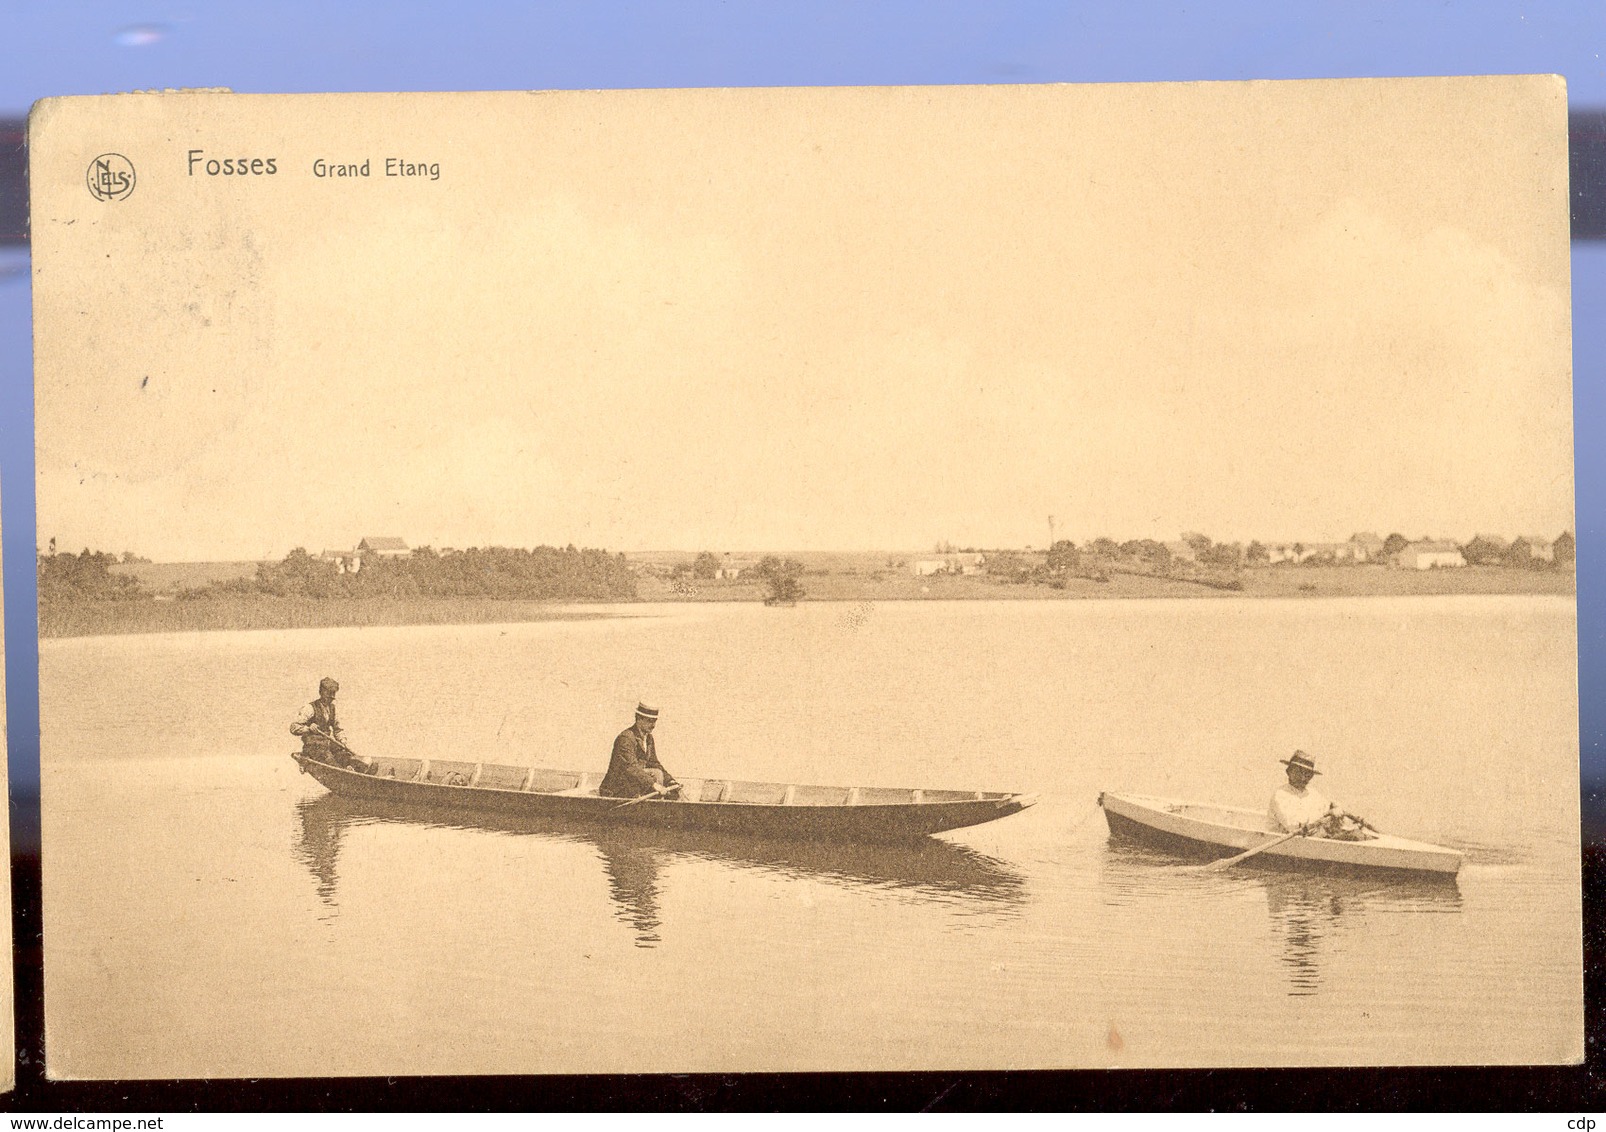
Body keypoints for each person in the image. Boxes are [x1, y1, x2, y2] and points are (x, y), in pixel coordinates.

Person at [1268, 751, 1371, 840]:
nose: (1303, 778)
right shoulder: (1280, 795)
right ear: (1289, 771)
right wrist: (1329, 814)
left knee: (1358, 835)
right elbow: (1295, 828)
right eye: (1299, 772)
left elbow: (1328, 811)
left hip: (1313, 841)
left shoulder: (1313, 794)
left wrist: (1335, 807)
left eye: (1308, 774)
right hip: (1290, 845)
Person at [599, 701, 681, 799]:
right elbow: (630, 767)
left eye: (655, 721)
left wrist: (670, 781)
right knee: (656, 775)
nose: (653, 725)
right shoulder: (626, 738)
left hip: (634, 786)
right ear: (639, 719)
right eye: (649, 721)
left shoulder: (648, 738)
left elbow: (654, 763)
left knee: (658, 773)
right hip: (616, 790)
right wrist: (654, 785)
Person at [291, 677, 360, 769]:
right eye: (329, 693)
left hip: (328, 743)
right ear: (321, 692)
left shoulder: (332, 708)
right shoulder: (310, 708)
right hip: (314, 746)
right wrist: (308, 728)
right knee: (329, 760)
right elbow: (293, 727)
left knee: (344, 755)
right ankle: (344, 771)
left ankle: (353, 768)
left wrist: (343, 741)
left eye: (333, 693)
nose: (332, 696)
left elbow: (338, 729)